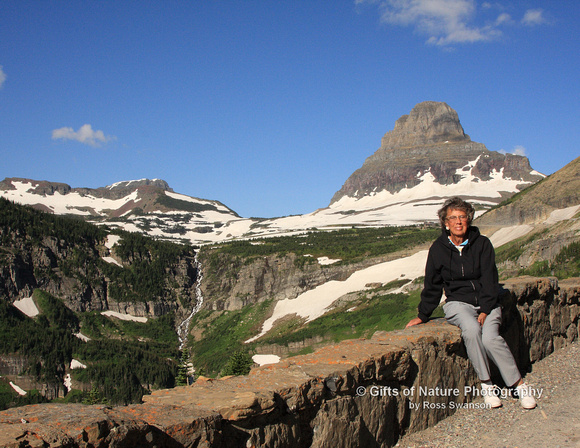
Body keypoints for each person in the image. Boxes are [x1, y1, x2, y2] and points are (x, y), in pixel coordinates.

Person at [406, 197, 536, 409]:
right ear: (445, 223)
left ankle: (519, 385)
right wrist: (423, 315)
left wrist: (485, 309)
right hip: (458, 304)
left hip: (487, 302)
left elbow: (489, 279)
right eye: (453, 218)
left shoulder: (482, 244)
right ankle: (487, 385)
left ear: (469, 219)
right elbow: (433, 284)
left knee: (491, 339)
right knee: (471, 329)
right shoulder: (438, 248)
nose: (458, 222)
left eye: (463, 217)